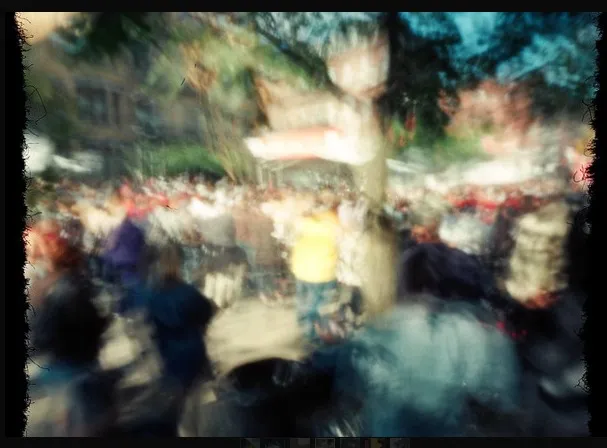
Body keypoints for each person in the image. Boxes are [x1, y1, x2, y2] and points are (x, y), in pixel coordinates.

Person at [119, 242, 216, 435]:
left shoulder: (146, 292)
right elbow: (207, 311)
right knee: (192, 401)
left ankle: (181, 430)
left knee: (173, 402)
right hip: (192, 351)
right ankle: (191, 431)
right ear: (176, 263)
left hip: (166, 353)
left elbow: (128, 313)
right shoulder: (187, 292)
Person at [26, 274, 115, 437]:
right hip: (84, 364)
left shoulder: (52, 303)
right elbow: (98, 328)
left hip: (64, 367)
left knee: (70, 412)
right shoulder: (81, 298)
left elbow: (40, 341)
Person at [290, 198, 341, 343]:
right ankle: (312, 333)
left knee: (303, 299)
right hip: (321, 272)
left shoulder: (304, 223)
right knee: (319, 304)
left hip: (301, 269)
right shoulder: (333, 226)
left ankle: (303, 324)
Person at [101, 190, 146, 288]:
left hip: (120, 267)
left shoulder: (114, 227)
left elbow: (108, 248)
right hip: (130, 267)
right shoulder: (136, 229)